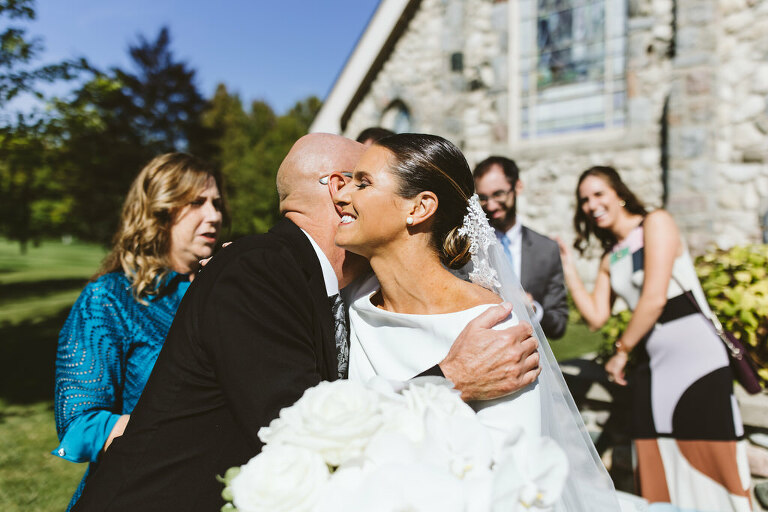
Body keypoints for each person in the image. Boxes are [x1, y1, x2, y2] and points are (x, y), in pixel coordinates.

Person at [72, 134, 541, 512]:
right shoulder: (257, 272)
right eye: (354, 180)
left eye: (364, 182)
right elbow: (300, 425)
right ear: (335, 188)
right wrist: (451, 380)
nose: (350, 193)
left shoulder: (336, 289)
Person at [330, 134, 621, 511]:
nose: (340, 195)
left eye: (362, 183)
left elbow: (509, 482)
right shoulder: (351, 303)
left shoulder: (493, 327)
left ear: (419, 207)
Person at [557, 166, 750, 510]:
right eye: (584, 200)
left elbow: (655, 298)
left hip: (696, 358)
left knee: (711, 451)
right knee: (658, 451)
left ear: (619, 193)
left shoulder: (656, 223)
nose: (592, 204)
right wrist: (569, 269)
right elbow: (596, 317)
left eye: (599, 193)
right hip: (654, 364)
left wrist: (621, 351)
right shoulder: (611, 257)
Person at [53, 152, 225, 511]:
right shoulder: (109, 298)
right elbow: (81, 425)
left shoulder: (226, 292)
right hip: (139, 492)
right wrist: (182, 430)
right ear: (159, 210)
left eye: (216, 203)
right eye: (197, 202)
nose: (214, 215)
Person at [473, 156, 568, 339]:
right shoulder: (470, 248)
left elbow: (559, 324)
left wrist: (534, 310)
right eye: (483, 198)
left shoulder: (546, 249)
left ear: (518, 187)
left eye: (498, 194)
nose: (491, 205)